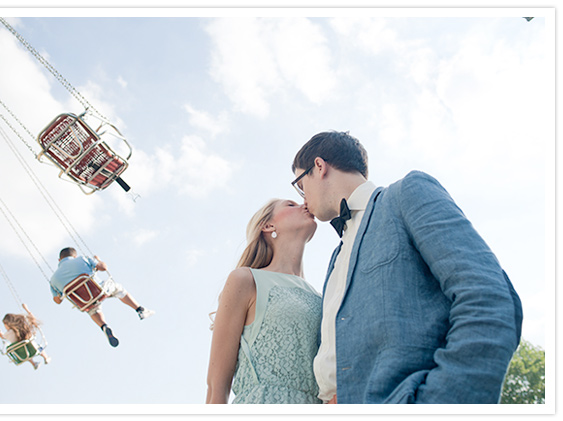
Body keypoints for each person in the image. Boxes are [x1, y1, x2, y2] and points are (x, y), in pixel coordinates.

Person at [291, 131, 523, 404]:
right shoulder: (336, 256)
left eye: (300, 184)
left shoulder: (405, 194)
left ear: (319, 166)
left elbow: (489, 299)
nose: (302, 198)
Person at [206, 199, 322, 404]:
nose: (305, 204)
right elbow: (217, 386)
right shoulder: (245, 279)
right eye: (291, 205)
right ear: (268, 226)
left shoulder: (322, 299)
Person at [50, 247, 154, 348]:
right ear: (74, 256)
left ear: (59, 260)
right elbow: (103, 268)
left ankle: (104, 326)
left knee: (93, 310)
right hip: (98, 290)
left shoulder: (53, 279)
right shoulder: (82, 259)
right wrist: (98, 260)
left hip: (84, 301)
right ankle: (140, 310)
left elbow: (58, 301)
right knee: (118, 288)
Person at [0, 303, 51, 369]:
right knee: (35, 346)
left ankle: (33, 363)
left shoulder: (9, 334)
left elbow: (2, 336)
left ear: (7, 324)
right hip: (33, 350)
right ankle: (45, 357)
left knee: (23, 350)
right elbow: (33, 320)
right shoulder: (24, 327)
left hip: (22, 356)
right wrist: (26, 309)